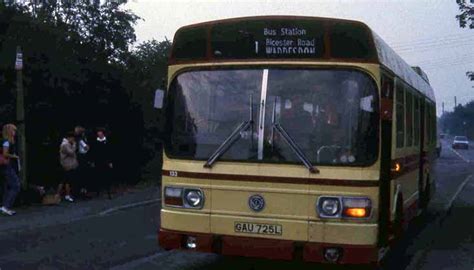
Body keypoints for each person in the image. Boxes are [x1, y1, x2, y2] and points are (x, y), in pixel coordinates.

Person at [0, 124, 20, 216]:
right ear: (9, 131)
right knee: (15, 185)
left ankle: (5, 206)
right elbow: (5, 154)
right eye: (13, 130)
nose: (14, 133)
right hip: (6, 166)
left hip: (7, 166)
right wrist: (14, 156)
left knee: (8, 186)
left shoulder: (9, 141)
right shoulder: (6, 142)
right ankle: (6, 206)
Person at [90, 128, 113, 199]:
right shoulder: (95, 142)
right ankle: (98, 192)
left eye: (100, 132)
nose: (99, 134)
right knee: (98, 176)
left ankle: (108, 192)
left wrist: (110, 162)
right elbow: (93, 152)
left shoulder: (107, 141)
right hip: (98, 161)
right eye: (98, 132)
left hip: (105, 161)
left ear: (103, 133)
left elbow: (110, 152)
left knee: (107, 177)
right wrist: (93, 161)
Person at [59, 132, 78, 202]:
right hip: (66, 165)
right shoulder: (65, 144)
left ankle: (65, 194)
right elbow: (71, 152)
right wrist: (74, 145)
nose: (73, 140)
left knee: (66, 180)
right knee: (66, 181)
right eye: (72, 138)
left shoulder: (68, 144)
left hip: (70, 164)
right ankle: (66, 195)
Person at [74, 126, 90, 197]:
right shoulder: (80, 140)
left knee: (83, 174)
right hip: (82, 157)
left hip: (82, 156)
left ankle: (83, 190)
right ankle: (82, 191)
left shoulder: (81, 139)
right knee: (83, 174)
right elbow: (86, 147)